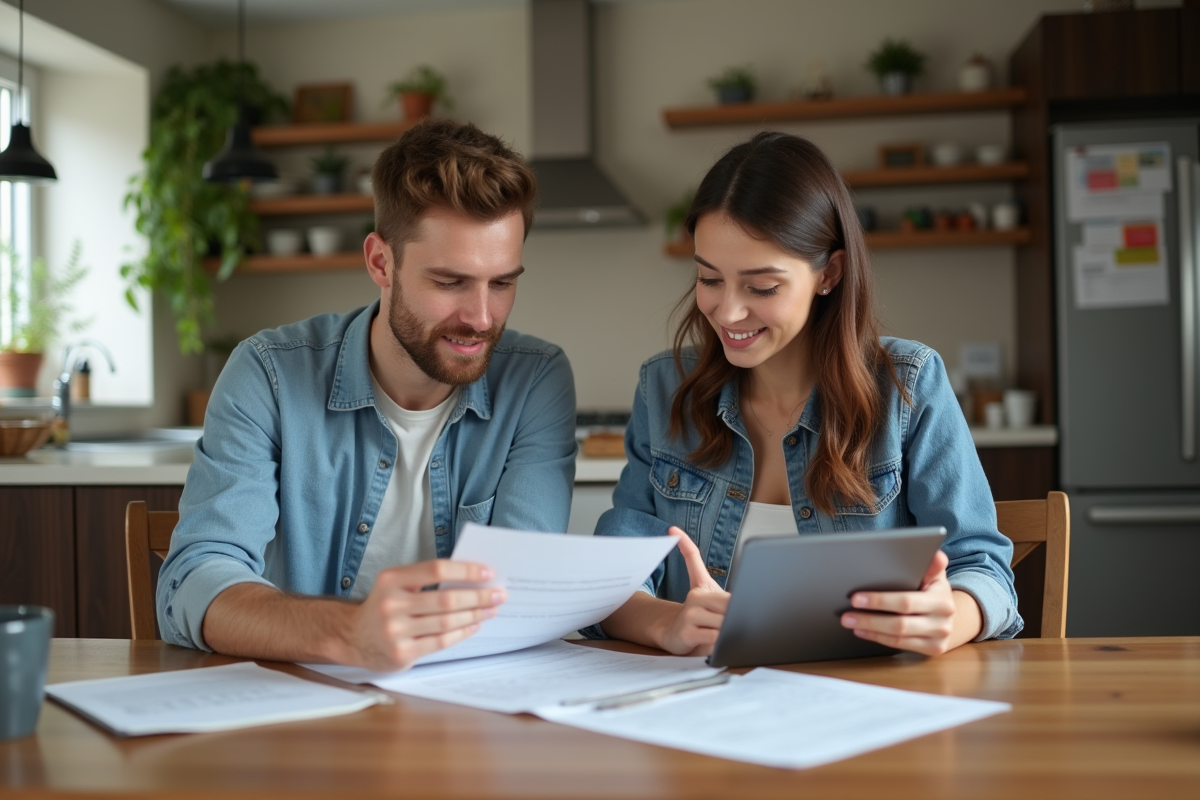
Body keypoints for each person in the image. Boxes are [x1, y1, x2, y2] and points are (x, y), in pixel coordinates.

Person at [158, 119, 578, 671]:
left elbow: (519, 598)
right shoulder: (268, 374)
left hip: (464, 717)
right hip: (295, 710)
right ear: (381, 262)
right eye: (450, 282)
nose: (481, 318)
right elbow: (193, 581)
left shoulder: (535, 382)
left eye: (502, 283)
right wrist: (350, 633)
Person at [586, 131, 1021, 657]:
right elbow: (612, 580)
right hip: (703, 711)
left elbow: (982, 566)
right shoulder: (664, 389)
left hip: (866, 708)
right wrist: (667, 622)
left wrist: (948, 618)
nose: (727, 312)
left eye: (761, 287)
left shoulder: (909, 385)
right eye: (709, 279)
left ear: (829, 274)